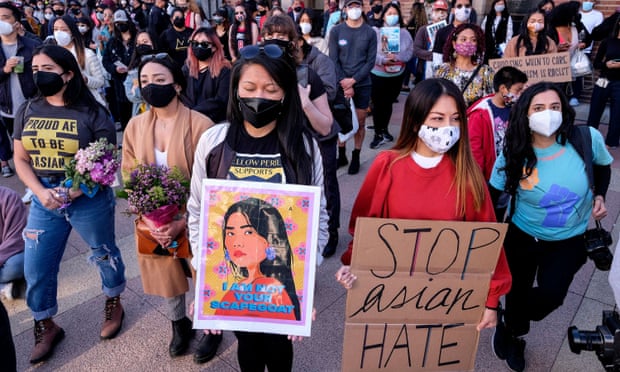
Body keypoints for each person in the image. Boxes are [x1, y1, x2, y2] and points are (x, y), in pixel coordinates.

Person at [187, 43, 328, 371]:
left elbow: (317, 215)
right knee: (247, 345)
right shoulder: (214, 142)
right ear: (235, 90)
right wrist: (204, 281)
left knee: (279, 351)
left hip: (281, 283)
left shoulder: (303, 146)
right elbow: (198, 211)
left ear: (285, 94)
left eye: (270, 89)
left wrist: (305, 284)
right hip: (232, 280)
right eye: (249, 88)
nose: (259, 96)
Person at [335, 78, 511, 334]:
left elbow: (487, 242)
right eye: (438, 118)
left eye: (456, 119)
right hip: (390, 294)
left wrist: (492, 300)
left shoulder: (468, 175)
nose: (448, 127)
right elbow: (365, 227)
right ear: (416, 120)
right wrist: (353, 264)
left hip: (446, 297)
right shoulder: (387, 166)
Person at [13, 44, 127, 364]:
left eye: (46, 70)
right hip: (43, 198)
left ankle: (114, 300)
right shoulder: (27, 109)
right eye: (35, 70)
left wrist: (74, 191)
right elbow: (19, 158)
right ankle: (45, 323)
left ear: (68, 74)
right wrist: (38, 191)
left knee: (104, 252)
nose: (39, 76)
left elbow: (107, 162)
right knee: (36, 266)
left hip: (86, 197)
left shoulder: (93, 113)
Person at [489, 82, 612, 372]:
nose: (548, 114)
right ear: (525, 114)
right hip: (523, 235)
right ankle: (514, 333)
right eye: (539, 108)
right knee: (517, 289)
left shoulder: (586, 138)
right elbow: (495, 197)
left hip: (570, 239)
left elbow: (603, 166)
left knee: (551, 296)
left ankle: (511, 316)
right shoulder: (514, 151)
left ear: (564, 110)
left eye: (555, 107)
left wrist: (599, 194)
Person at [121, 53, 219, 362]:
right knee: (167, 272)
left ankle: (211, 327)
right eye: (145, 81)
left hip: (196, 217)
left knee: (204, 271)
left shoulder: (202, 124)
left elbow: (215, 183)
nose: (151, 87)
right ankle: (179, 324)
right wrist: (150, 219)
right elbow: (129, 175)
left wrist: (184, 220)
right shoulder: (135, 127)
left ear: (177, 84)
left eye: (160, 80)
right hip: (156, 222)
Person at [215, 198, 301, 320]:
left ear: (269, 240)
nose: (237, 243)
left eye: (248, 232)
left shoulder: (271, 288)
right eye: (230, 234)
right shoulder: (240, 285)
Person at [329, 0, 377, 175]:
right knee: (341, 121)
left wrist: (354, 81)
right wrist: (344, 82)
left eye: (357, 6)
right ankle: (341, 155)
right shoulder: (336, 31)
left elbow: (370, 61)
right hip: (340, 83)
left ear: (362, 8)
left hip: (362, 83)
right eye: (351, 6)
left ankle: (356, 155)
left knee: (361, 121)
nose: (354, 10)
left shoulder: (370, 33)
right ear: (345, 9)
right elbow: (333, 59)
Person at [0, 3, 41, 178]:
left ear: (16, 20)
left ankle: (38, 178)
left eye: (5, 17)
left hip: (32, 105)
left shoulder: (31, 45)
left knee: (36, 145)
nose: (1, 22)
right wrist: (4, 70)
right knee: (18, 145)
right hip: (6, 108)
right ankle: (28, 179)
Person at [467, 66, 528, 181]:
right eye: (518, 90)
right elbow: (474, 148)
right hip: (490, 177)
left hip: (513, 173)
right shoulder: (480, 114)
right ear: (503, 89)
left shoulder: (516, 109)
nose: (520, 94)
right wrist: (478, 178)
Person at [369, 2, 413, 149]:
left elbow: (409, 52)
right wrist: (383, 59)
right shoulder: (375, 31)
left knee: (388, 103)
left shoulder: (404, 33)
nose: (392, 16)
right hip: (378, 73)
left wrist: (398, 57)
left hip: (396, 74)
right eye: (389, 14)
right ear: (384, 16)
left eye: (395, 14)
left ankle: (385, 129)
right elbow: (370, 53)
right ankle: (377, 133)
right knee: (378, 104)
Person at [434, 23, 494, 108]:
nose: (468, 43)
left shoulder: (486, 72)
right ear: (454, 44)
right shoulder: (442, 70)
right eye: (463, 39)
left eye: (473, 40)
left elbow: (489, 104)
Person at [52, 15, 107, 106]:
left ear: (72, 32)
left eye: (64, 29)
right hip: (62, 104)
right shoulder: (52, 54)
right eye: (55, 29)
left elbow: (100, 81)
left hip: (85, 103)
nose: (59, 33)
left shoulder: (87, 54)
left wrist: (85, 79)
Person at [184, 26, 231, 123]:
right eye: (195, 43)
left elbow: (220, 101)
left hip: (214, 124)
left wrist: (194, 113)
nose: (198, 47)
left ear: (214, 47)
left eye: (204, 44)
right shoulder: (187, 68)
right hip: (189, 122)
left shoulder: (224, 70)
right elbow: (182, 95)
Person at [547, 1, 591, 106]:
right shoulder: (551, 28)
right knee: (554, 95)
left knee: (564, 98)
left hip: (572, 67)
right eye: (575, 12)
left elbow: (588, 38)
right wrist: (555, 48)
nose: (577, 14)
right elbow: (542, 47)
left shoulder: (576, 26)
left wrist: (583, 43)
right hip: (555, 69)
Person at [586, 18, 620, 148]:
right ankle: (589, 137)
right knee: (595, 109)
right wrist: (606, 64)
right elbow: (596, 63)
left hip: (619, 83)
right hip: (604, 80)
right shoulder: (607, 41)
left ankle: (611, 142)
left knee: (617, 113)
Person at [102, 9, 136, 131]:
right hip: (120, 84)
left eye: (122, 22)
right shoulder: (113, 41)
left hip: (137, 83)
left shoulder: (137, 39)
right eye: (117, 23)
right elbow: (105, 61)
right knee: (124, 114)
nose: (119, 25)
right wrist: (115, 69)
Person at [0, 186, 27, 300]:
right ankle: (3, 287)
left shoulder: (8, 197)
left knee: (18, 264)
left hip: (6, 255)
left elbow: (16, 238)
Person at [124, 30, 158, 117]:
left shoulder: (162, 62)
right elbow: (130, 95)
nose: (141, 45)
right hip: (140, 114)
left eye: (145, 42)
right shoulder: (133, 68)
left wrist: (136, 88)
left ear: (153, 44)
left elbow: (156, 93)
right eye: (138, 43)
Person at [432, 0, 472, 71]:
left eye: (467, 6)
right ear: (453, 10)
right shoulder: (442, 32)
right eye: (459, 6)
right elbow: (437, 59)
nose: (464, 9)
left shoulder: (476, 32)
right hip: (447, 76)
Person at [413, 0, 447, 83]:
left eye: (443, 11)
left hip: (444, 70)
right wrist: (436, 56)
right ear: (432, 12)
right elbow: (416, 50)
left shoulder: (450, 30)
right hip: (424, 70)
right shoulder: (423, 30)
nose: (440, 13)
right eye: (437, 10)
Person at [403, 0, 427, 88]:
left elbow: (408, 35)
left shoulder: (411, 22)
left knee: (410, 66)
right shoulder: (425, 23)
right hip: (422, 49)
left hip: (412, 48)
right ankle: (408, 83)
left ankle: (407, 83)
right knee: (418, 67)